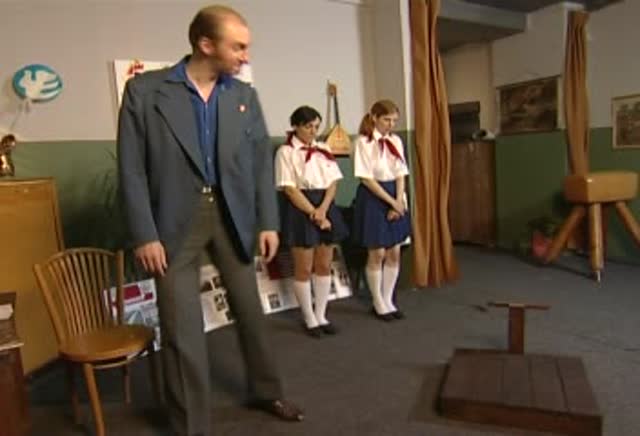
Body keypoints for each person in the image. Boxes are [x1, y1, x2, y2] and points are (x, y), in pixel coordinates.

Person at [117, 5, 303, 436]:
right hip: (171, 223)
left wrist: (268, 222)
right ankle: (190, 424)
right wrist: (145, 234)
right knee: (181, 328)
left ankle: (267, 390)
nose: (245, 56)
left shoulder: (243, 96)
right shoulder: (145, 92)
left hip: (232, 217)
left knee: (251, 312)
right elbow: (131, 169)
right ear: (205, 44)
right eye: (238, 47)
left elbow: (259, 164)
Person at [274, 106, 348, 337]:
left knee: (324, 265)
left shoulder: (323, 148)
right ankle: (309, 318)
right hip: (300, 209)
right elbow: (289, 188)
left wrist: (323, 210)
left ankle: (321, 314)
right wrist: (314, 213)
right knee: (304, 268)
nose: (313, 131)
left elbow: (333, 182)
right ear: (296, 126)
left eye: (316, 126)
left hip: (325, 205)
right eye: (308, 127)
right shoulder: (285, 152)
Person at [352, 100, 410, 322]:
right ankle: (377, 302)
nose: (391, 125)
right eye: (387, 120)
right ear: (374, 117)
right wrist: (390, 202)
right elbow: (366, 178)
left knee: (394, 251)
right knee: (377, 253)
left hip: (395, 194)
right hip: (374, 197)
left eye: (394, 121)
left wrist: (399, 200)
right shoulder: (363, 143)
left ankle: (388, 300)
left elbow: (401, 172)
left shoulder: (396, 140)